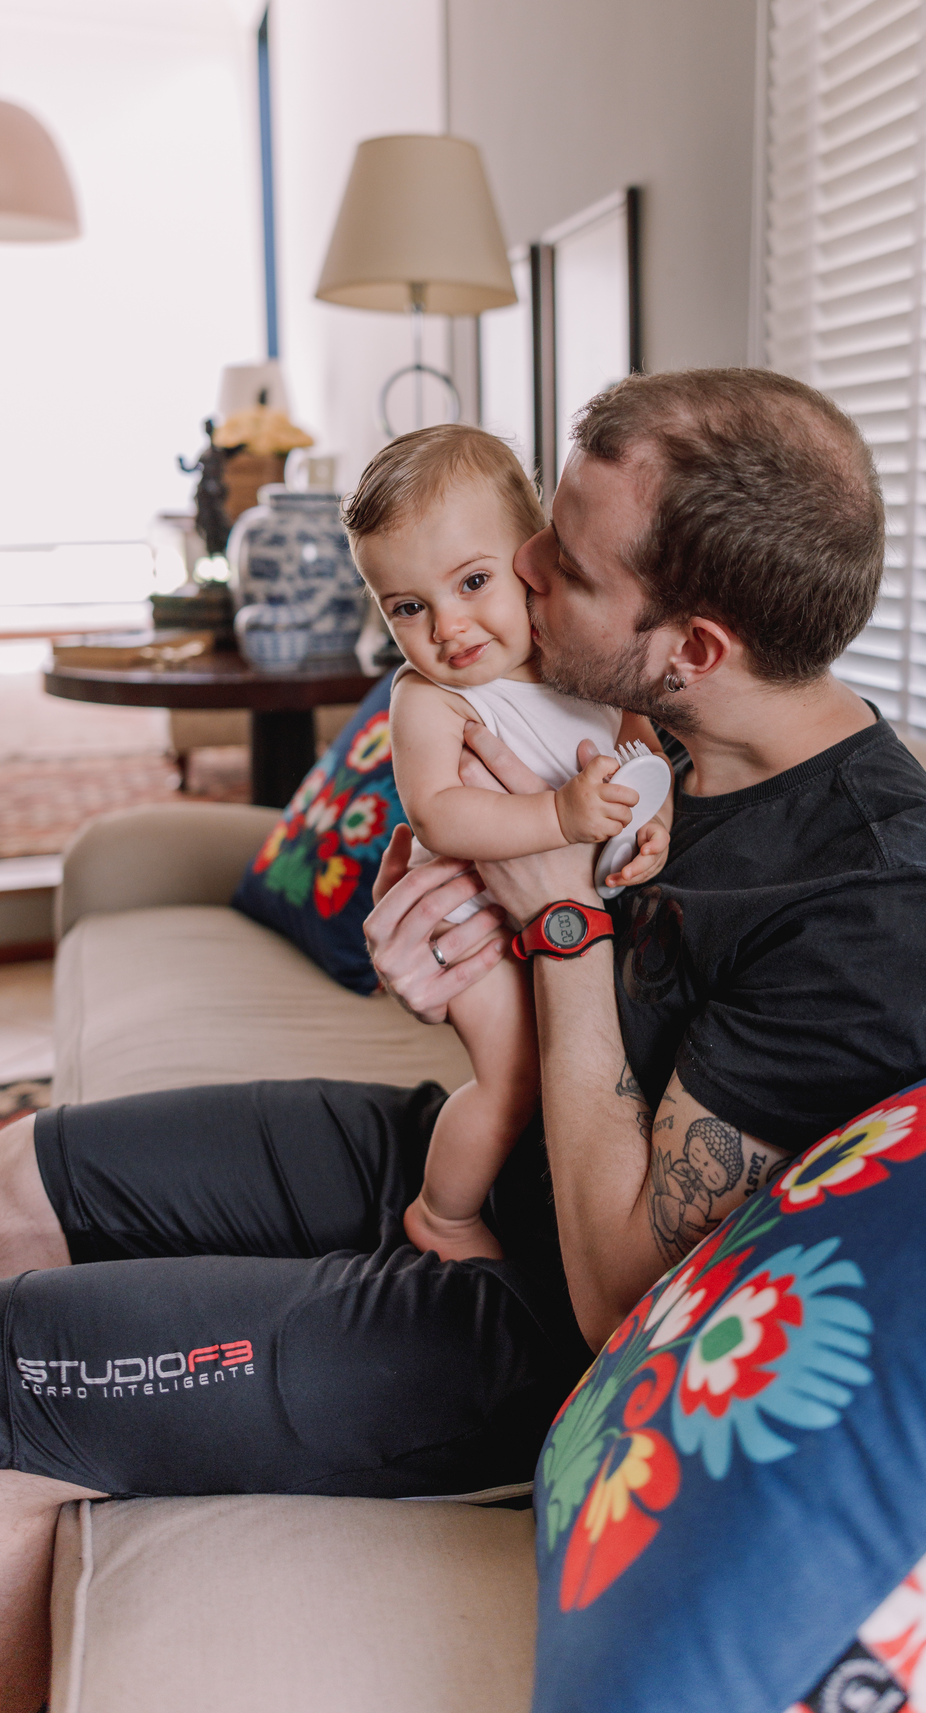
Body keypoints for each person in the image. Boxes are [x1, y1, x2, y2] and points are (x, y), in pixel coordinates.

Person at [0, 368, 926, 1713]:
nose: (516, 569)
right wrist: (450, 963)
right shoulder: (661, 738)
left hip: (539, 1333)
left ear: (692, 641)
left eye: (557, 562)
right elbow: (501, 893)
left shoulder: (879, 915)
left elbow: (627, 1296)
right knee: (12, 1177)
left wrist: (559, 934)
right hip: (487, 1153)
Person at [344, 425, 672, 1262]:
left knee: (582, 1069)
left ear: (532, 559)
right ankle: (443, 1217)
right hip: (477, 931)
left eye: (473, 582)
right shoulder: (431, 698)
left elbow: (639, 743)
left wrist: (652, 825)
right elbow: (440, 814)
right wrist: (559, 819)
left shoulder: (576, 657)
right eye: (408, 608)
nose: (448, 626)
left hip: (570, 922)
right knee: (515, 1082)